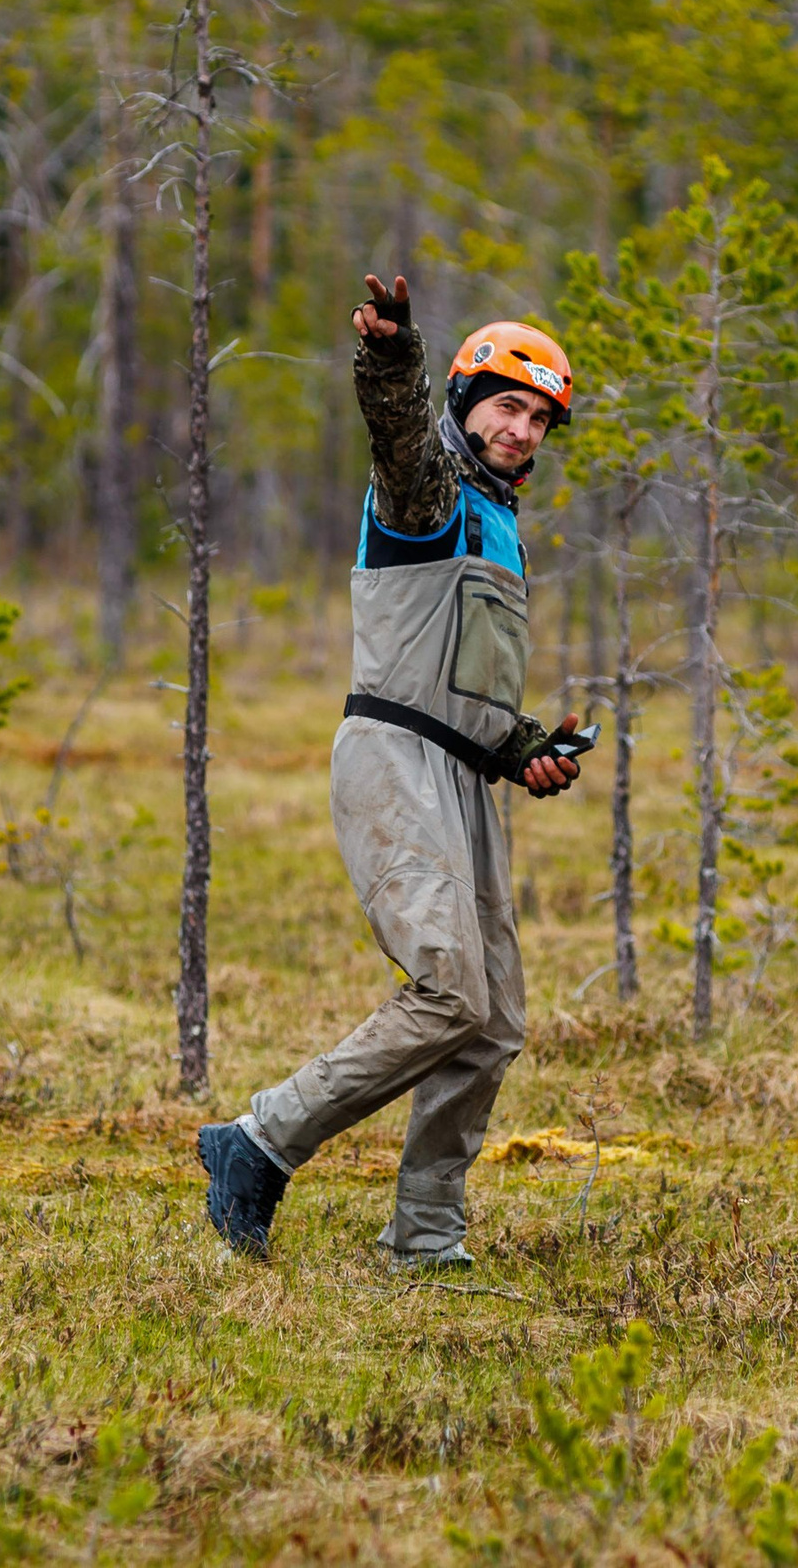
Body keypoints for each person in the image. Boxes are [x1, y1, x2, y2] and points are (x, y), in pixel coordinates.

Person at [196, 272, 586, 1266]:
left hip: (464, 778)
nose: (523, 429)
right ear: (465, 400)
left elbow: (464, 677)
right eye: (507, 404)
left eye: (540, 416)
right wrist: (391, 355)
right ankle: (258, 1140)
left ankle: (425, 1238)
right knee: (450, 987)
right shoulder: (426, 491)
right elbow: (397, 432)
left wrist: (525, 750)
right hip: (393, 760)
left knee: (493, 1021)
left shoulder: (499, 523)